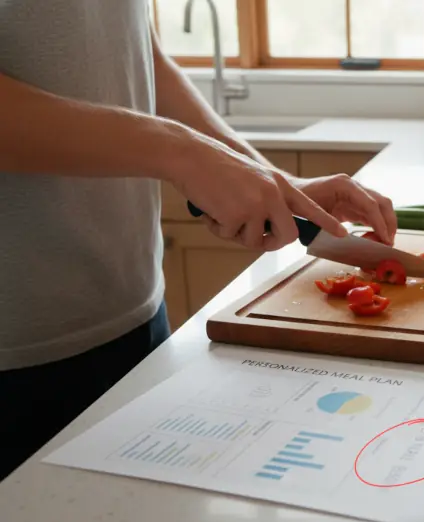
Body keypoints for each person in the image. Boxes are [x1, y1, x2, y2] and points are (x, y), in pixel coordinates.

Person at [0, 1, 397, 481]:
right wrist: (178, 150)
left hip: (136, 319)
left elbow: (140, 55)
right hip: (17, 355)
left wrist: (271, 183)